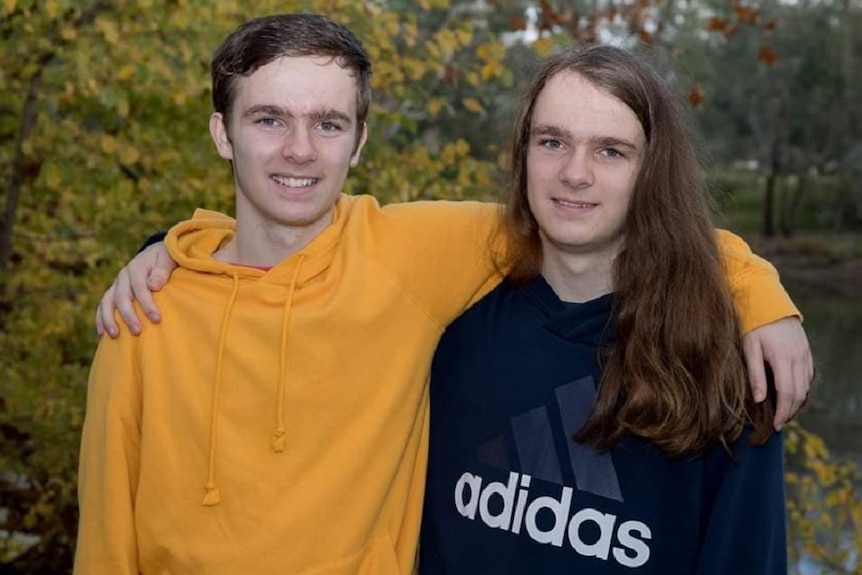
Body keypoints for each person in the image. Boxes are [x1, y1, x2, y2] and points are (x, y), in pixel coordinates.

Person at [79, 12, 812, 575]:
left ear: (359, 140)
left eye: (328, 122)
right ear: (222, 133)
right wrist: (166, 251)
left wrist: (756, 287)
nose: (298, 150)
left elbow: (604, 223)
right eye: (268, 119)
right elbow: (106, 539)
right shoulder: (148, 312)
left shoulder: (412, 258)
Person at [420, 45, 791, 574]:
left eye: (611, 151)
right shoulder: (447, 324)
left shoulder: (732, 367)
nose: (575, 173)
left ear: (652, 173)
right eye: (553, 142)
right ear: (523, 153)